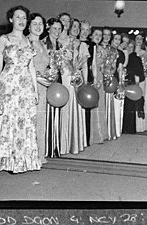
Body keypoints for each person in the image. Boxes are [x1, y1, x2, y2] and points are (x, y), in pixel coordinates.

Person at [0, 5, 41, 173]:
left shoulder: (29, 41)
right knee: (7, 121)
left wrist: (35, 91)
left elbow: (31, 67)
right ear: (11, 19)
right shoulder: (4, 39)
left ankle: (22, 161)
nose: (21, 21)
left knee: (24, 122)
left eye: (24, 18)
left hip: (25, 88)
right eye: (18, 17)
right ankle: (5, 161)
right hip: (8, 85)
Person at [58, 17, 89, 155]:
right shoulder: (61, 42)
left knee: (76, 107)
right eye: (74, 26)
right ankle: (62, 143)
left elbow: (85, 66)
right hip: (64, 77)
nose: (76, 29)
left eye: (78, 27)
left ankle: (75, 143)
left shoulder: (82, 45)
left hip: (77, 78)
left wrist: (86, 83)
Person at [27, 13, 50, 163]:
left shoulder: (42, 44)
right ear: (28, 26)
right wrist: (39, 78)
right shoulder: (26, 42)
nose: (38, 26)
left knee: (40, 121)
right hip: (30, 86)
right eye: (34, 23)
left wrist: (49, 75)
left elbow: (45, 66)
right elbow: (24, 66)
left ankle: (39, 155)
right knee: (30, 121)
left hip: (44, 87)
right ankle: (28, 157)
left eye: (40, 23)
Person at [42, 18, 63, 158]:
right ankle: (47, 147)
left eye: (59, 29)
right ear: (48, 28)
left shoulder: (60, 45)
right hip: (46, 81)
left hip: (58, 81)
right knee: (47, 114)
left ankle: (54, 145)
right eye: (54, 28)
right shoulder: (43, 43)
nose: (57, 31)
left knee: (56, 114)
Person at [90, 28, 108, 144]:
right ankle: (94, 135)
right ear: (91, 35)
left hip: (101, 77)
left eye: (100, 35)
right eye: (96, 34)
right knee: (93, 104)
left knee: (100, 104)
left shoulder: (101, 49)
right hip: (93, 77)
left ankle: (100, 132)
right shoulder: (91, 47)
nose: (98, 36)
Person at [122, 40, 145, 134]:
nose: (130, 48)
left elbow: (141, 74)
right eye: (128, 46)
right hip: (121, 84)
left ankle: (130, 129)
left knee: (130, 108)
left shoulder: (136, 58)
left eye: (132, 47)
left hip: (131, 85)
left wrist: (137, 80)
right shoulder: (122, 56)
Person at [101, 27, 118, 140]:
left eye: (108, 35)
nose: (106, 37)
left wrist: (109, 74)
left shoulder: (113, 50)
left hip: (109, 79)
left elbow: (114, 66)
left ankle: (108, 132)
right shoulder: (97, 47)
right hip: (99, 78)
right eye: (104, 34)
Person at [79, 20, 93, 146]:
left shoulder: (92, 45)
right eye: (82, 29)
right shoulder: (74, 43)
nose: (85, 32)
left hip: (88, 78)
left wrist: (88, 81)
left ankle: (85, 139)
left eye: (87, 30)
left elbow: (91, 65)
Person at [111, 33, 125, 138]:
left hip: (114, 80)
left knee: (116, 106)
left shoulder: (121, 53)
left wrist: (120, 83)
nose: (117, 41)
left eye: (119, 39)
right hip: (105, 79)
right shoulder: (105, 50)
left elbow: (120, 69)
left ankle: (115, 131)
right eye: (115, 39)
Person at [134, 33, 147, 132]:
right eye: (136, 38)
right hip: (131, 78)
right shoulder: (130, 50)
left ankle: (140, 126)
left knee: (140, 97)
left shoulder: (145, 53)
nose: (138, 40)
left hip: (141, 78)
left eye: (140, 39)